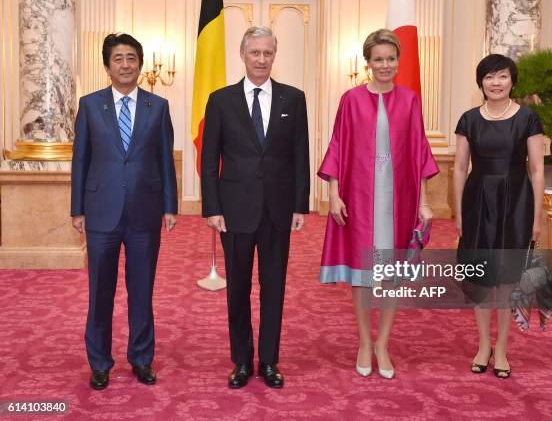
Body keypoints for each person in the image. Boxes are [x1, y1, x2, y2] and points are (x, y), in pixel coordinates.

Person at [318, 29, 439, 379]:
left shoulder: (411, 100)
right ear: (367, 62)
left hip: (397, 201)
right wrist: (334, 193)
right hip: (357, 197)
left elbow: (419, 154)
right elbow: (338, 146)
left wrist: (424, 203)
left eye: (390, 59)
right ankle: (363, 343)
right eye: (378, 59)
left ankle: (383, 343)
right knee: (362, 275)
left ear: (397, 61)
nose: (385, 65)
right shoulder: (351, 99)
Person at [202, 26, 310, 389]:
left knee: (274, 286)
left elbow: (300, 155)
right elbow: (209, 159)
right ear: (242, 55)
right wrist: (212, 207)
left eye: (267, 53)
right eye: (255, 53)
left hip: (279, 209)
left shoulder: (293, 99)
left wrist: (300, 204)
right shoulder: (220, 100)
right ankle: (242, 361)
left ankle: (269, 360)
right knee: (237, 288)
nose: (261, 59)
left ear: (274, 56)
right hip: (234, 210)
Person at [71, 33, 178, 390]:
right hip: (101, 212)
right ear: (107, 65)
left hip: (144, 213)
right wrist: (77, 208)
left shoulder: (157, 106)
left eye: (131, 58)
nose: (125, 65)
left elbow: (165, 160)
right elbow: (80, 159)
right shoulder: (89, 105)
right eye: (118, 58)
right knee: (100, 290)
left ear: (140, 63)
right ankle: (99, 361)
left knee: (141, 290)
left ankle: (141, 358)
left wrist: (169, 206)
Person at [453, 53, 545, 378]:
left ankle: (502, 348)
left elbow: (536, 170)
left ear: (512, 80)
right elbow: (461, 168)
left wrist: (536, 217)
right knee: (480, 278)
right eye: (489, 77)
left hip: (517, 201)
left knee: (506, 281)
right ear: (481, 82)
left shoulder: (528, 118)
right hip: (478, 201)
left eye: (502, 76)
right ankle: (482, 345)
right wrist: (459, 213)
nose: (496, 82)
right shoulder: (468, 119)